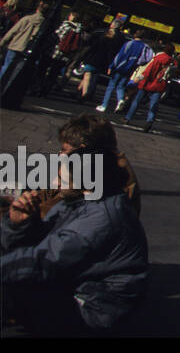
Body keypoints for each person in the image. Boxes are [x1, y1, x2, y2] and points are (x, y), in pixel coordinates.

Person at [1, 114, 149, 334]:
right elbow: (44, 237)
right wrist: (18, 223)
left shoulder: (100, 217)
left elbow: (45, 260)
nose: (53, 181)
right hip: (77, 276)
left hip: (92, 306)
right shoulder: (78, 197)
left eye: (60, 178)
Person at [96, 29, 152, 114]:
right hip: (131, 68)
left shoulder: (129, 44)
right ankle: (120, 100)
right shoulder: (144, 47)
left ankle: (104, 105)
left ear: (135, 35)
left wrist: (112, 66)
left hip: (121, 67)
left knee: (111, 86)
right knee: (121, 86)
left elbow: (120, 55)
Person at [121, 41, 174, 131]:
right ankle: (150, 121)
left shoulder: (158, 58)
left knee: (136, 101)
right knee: (153, 104)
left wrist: (139, 78)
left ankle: (128, 117)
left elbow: (149, 70)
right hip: (159, 85)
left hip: (148, 82)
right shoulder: (172, 62)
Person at [0, 0, 49, 85]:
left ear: (37, 9)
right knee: (16, 70)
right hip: (27, 49)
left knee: (6, 65)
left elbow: (12, 31)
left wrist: (3, 42)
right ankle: (8, 85)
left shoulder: (27, 18)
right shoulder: (44, 23)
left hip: (15, 45)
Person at [74, 25, 123, 103]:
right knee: (91, 76)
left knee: (87, 76)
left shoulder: (100, 39)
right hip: (101, 62)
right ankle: (78, 90)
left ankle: (84, 94)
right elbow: (110, 55)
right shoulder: (112, 44)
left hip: (92, 59)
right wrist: (110, 65)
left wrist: (82, 58)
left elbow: (92, 49)